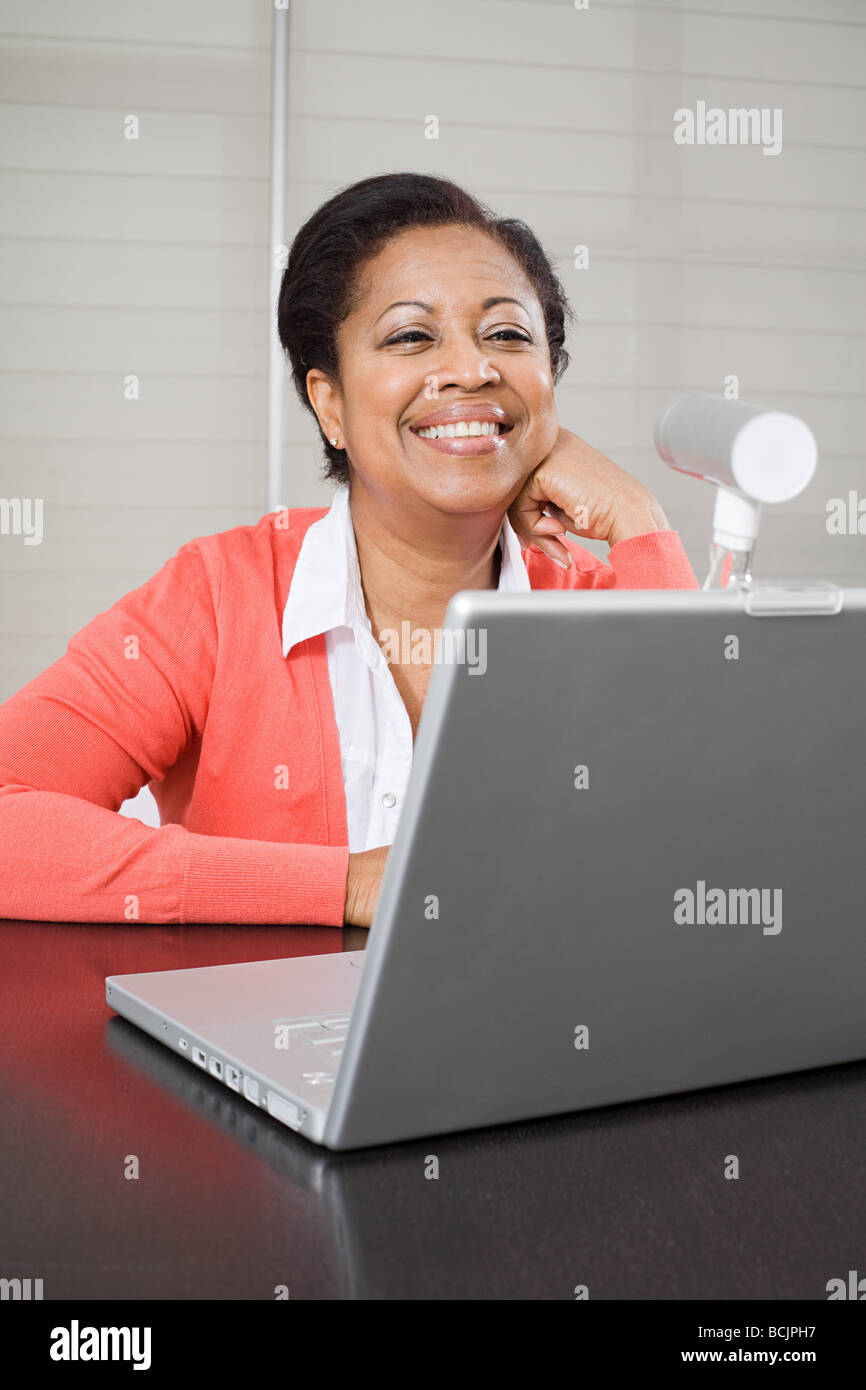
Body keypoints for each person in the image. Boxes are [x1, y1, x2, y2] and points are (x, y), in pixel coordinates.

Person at [0, 172, 697, 930]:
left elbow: (719, 846)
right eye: (411, 336)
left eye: (507, 335)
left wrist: (641, 522)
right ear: (329, 403)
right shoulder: (220, 594)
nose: (471, 370)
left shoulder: (609, 605)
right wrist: (350, 885)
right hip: (259, 1034)